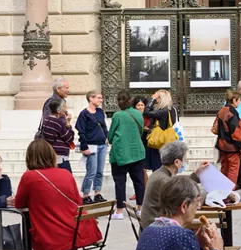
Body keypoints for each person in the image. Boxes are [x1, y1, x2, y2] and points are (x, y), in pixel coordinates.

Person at [15, 139, 100, 250]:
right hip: (77, 228)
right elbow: (78, 199)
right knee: (64, 237)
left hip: (54, 232)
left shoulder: (29, 177)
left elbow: (19, 203)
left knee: (38, 236)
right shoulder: (65, 173)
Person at [140, 140, 211, 229]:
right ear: (177, 162)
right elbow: (181, 196)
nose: (183, 164)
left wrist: (197, 173)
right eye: (184, 160)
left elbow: (179, 185)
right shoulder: (163, 179)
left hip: (154, 224)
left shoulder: (161, 174)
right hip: (157, 228)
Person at [108, 90, 147, 221]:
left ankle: (119, 210)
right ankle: (140, 208)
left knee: (120, 182)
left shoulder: (117, 115)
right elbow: (141, 130)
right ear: (131, 100)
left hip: (120, 154)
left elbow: (111, 135)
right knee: (139, 181)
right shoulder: (137, 113)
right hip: (136, 151)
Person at [75, 90, 108, 205]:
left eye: (101, 98)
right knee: (91, 171)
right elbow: (81, 131)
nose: (100, 100)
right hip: (91, 145)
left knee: (100, 170)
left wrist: (107, 137)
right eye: (98, 98)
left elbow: (103, 126)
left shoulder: (100, 112)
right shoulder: (84, 114)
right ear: (91, 98)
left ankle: (97, 192)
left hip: (102, 144)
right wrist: (84, 146)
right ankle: (85, 194)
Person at [214, 89, 241, 185]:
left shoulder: (222, 110)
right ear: (234, 100)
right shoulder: (232, 113)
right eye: (238, 100)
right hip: (232, 146)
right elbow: (235, 132)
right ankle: (229, 193)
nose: (239, 103)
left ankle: (222, 191)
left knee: (224, 168)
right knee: (233, 170)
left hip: (222, 144)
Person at [143, 90, 179, 172]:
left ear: (162, 99)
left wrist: (152, 100)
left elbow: (146, 112)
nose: (156, 100)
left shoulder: (163, 111)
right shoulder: (172, 109)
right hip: (166, 141)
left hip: (159, 142)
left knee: (158, 168)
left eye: (157, 98)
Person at [40, 98, 75, 173]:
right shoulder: (58, 122)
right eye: (64, 107)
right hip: (60, 157)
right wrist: (68, 123)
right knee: (67, 179)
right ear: (58, 110)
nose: (66, 109)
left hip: (51, 155)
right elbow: (69, 137)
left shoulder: (47, 120)